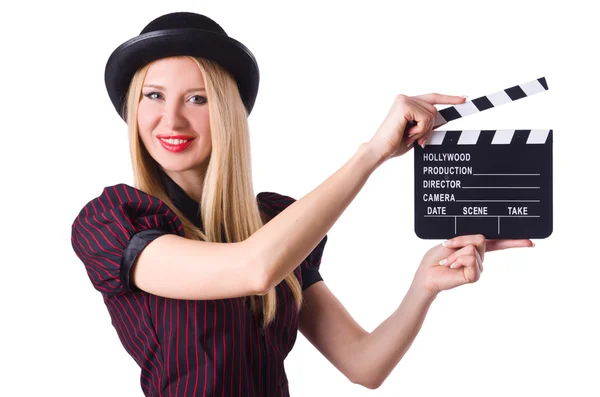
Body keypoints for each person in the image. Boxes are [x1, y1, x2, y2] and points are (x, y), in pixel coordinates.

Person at [70, 11, 534, 397]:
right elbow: (253, 270)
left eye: (198, 98)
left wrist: (423, 287)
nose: (171, 118)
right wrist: (372, 153)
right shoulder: (111, 223)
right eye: (154, 96)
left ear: (228, 112)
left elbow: (363, 365)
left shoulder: (275, 222)